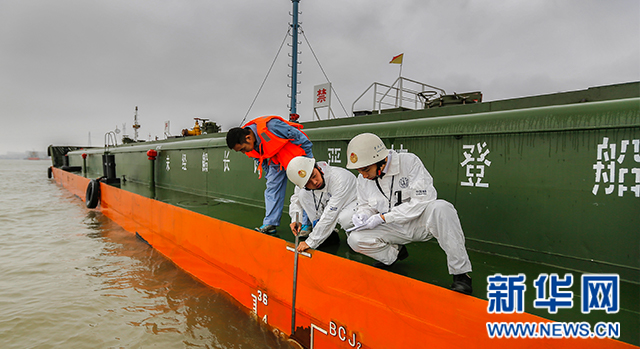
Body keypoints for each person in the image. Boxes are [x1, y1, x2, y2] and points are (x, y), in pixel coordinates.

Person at [345, 133, 473, 295]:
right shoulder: (363, 179)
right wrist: (363, 214)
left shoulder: (409, 162)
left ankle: (460, 273)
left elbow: (424, 199)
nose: (363, 175)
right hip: (392, 227)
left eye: (365, 170)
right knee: (355, 239)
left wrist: (384, 217)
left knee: (442, 208)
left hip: (419, 223)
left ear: (381, 161)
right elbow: (365, 204)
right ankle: (394, 254)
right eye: (359, 170)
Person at [226, 115, 313, 235]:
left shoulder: (272, 126)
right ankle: (270, 223)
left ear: (248, 137)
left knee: (304, 188)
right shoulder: (250, 142)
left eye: (242, 149)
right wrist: (267, 171)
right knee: (272, 188)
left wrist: (306, 159)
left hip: (294, 155)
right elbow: (258, 156)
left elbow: (298, 136)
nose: (243, 152)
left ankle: (306, 224)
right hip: (275, 160)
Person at [286, 156, 358, 252]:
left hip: (354, 205)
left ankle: (357, 238)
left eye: (314, 176)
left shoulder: (340, 179)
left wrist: (310, 242)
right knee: (303, 195)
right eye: (308, 183)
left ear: (319, 168)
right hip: (332, 204)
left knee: (345, 218)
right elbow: (296, 199)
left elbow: (330, 215)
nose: (315, 182)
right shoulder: (304, 180)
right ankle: (327, 235)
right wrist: (296, 219)